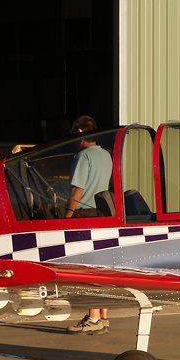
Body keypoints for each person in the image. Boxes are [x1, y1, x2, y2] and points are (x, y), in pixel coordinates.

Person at [65, 115, 112, 334]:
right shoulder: (106, 155)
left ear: (80, 133)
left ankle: (92, 319)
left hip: (85, 212)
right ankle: (103, 316)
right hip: (103, 212)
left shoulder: (83, 156)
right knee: (102, 265)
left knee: (88, 267)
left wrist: (67, 215)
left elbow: (78, 188)